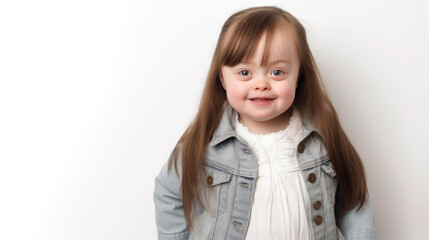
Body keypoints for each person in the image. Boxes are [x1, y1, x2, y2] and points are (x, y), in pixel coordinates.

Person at [153, 6, 376, 240]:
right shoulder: (204, 144)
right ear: (222, 77)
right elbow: (168, 192)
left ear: (299, 75)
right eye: (245, 72)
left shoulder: (322, 139)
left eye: (277, 72)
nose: (261, 84)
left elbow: (353, 199)